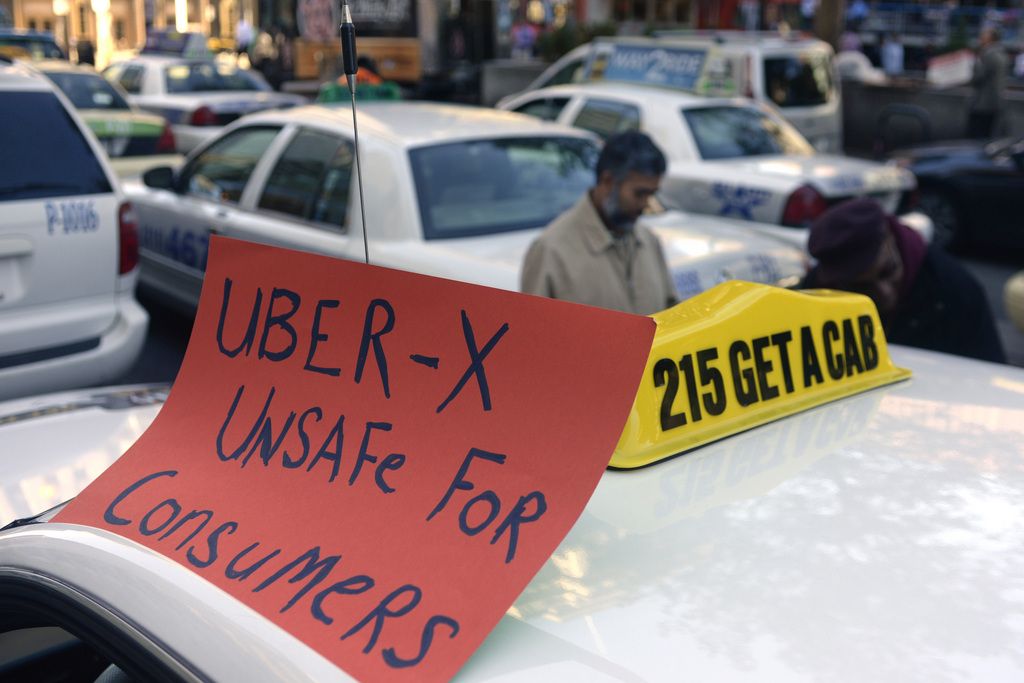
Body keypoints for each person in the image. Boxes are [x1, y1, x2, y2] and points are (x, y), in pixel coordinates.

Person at [801, 198, 1005, 364]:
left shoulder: (955, 291)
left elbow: (989, 372)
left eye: (887, 271)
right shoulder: (815, 294)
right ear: (833, 282)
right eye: (862, 287)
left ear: (891, 236)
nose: (884, 292)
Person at [520, 131, 679, 315]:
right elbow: (534, 336)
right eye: (639, 194)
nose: (646, 204)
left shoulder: (648, 241)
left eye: (652, 194)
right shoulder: (551, 250)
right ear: (608, 181)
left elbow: (671, 317)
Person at [967, 26, 1008, 139]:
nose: (980, 39)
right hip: (994, 103)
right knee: (987, 134)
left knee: (977, 136)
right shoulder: (1002, 54)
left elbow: (977, 77)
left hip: (982, 104)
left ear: (991, 39)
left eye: (983, 37)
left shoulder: (988, 55)